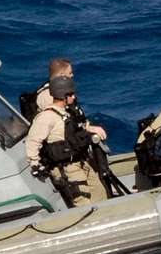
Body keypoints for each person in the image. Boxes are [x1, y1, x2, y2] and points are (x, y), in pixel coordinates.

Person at [26, 75, 109, 208]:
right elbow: (33, 141)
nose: (74, 97)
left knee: (100, 193)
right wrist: (34, 163)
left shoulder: (68, 113)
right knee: (83, 202)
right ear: (62, 96)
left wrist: (90, 128)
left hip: (80, 161)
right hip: (67, 168)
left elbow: (79, 127)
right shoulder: (47, 117)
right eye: (71, 94)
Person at [34, 58, 107, 142]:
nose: (72, 75)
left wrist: (87, 127)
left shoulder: (64, 90)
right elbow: (57, 124)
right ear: (62, 75)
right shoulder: (47, 96)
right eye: (70, 73)